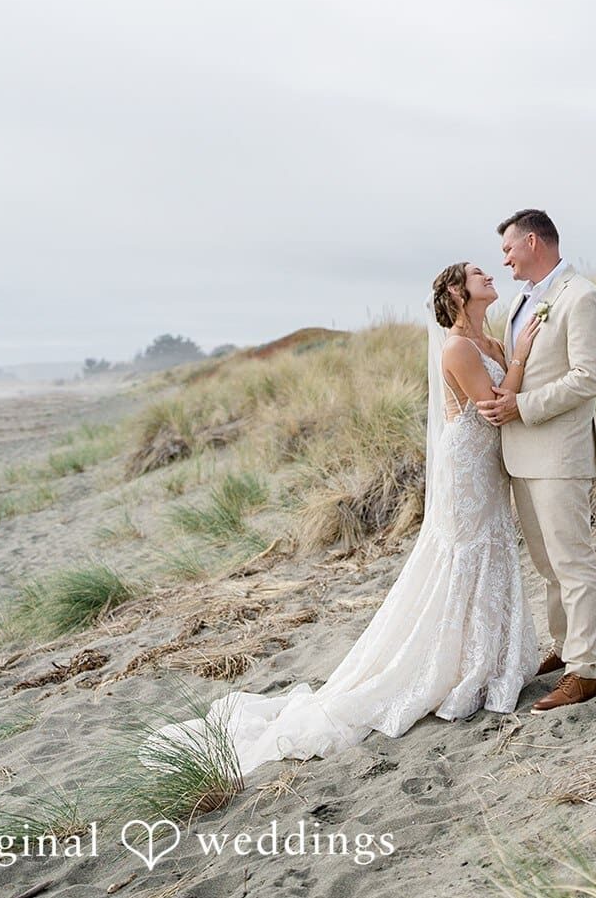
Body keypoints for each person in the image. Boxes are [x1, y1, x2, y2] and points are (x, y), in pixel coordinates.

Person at [139, 262, 542, 778]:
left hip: (489, 466)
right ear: (456, 293)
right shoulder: (459, 348)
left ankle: (487, 659)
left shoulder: (490, 342)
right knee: (465, 556)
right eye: (477, 273)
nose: (489, 274)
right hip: (467, 468)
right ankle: (463, 670)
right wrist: (523, 357)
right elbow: (491, 408)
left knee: (492, 549)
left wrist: (516, 356)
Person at [477, 208, 596, 713]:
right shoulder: (520, 302)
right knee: (546, 563)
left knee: (572, 561)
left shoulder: (582, 297)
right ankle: (566, 646)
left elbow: (589, 377)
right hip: (522, 455)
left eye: (509, 248)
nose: (505, 258)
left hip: (559, 452)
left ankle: (586, 671)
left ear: (533, 242)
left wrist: (523, 406)